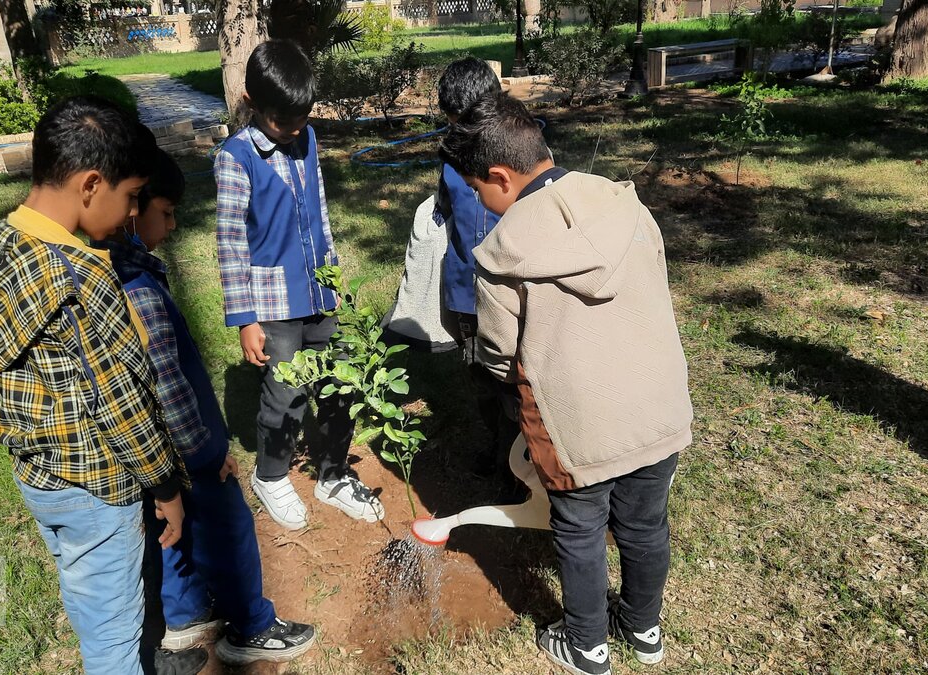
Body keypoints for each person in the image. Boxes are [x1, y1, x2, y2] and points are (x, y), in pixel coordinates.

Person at [0, 96, 205, 675]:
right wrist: (166, 489)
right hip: (97, 484)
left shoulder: (3, 242)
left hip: (39, 474)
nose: (131, 210)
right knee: (112, 629)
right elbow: (124, 404)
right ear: (91, 185)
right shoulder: (86, 277)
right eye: (131, 196)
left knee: (86, 592)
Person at [440, 93, 694, 675]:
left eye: (479, 190)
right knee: (645, 524)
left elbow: (502, 354)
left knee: (579, 530)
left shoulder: (503, 253)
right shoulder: (626, 205)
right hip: (659, 406)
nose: (481, 202)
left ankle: (587, 646)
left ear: (500, 177)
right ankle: (644, 630)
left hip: (577, 424)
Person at [95, 147, 318, 666]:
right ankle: (252, 626)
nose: (172, 225)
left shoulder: (117, 269)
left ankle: (186, 614)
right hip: (188, 444)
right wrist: (205, 452)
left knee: (171, 527)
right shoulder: (138, 287)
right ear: (133, 208)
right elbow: (168, 385)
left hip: (149, 451)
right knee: (230, 524)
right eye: (165, 212)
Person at [216, 40, 384, 530]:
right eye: (282, 121)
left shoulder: (306, 140)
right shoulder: (236, 158)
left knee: (338, 381)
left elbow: (321, 213)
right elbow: (229, 244)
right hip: (274, 300)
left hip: (320, 292)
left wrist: (333, 275)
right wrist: (246, 319)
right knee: (286, 393)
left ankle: (333, 474)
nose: (293, 130)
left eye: (301, 119)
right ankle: (270, 476)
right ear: (251, 101)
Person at [435, 57, 522, 480]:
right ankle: (500, 446)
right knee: (481, 375)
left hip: (512, 291)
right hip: (466, 291)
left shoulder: (522, 151)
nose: (461, 134)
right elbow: (443, 209)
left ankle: (522, 456)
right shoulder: (450, 159)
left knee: (517, 381)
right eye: (454, 125)